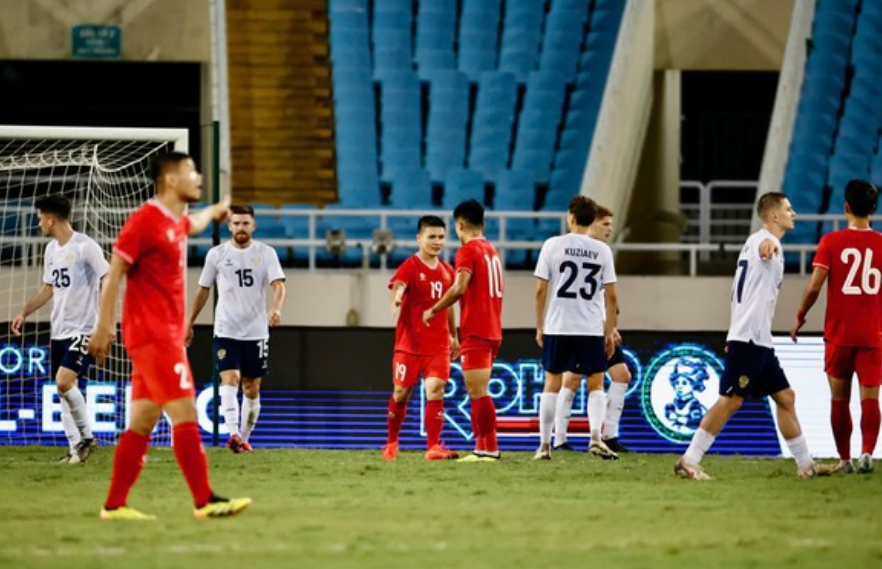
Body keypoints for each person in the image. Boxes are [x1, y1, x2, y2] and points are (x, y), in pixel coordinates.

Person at [88, 151, 251, 520]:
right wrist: (103, 325)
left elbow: (192, 223)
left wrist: (214, 212)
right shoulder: (144, 221)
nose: (199, 178)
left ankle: (114, 505)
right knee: (186, 412)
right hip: (154, 337)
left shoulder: (170, 220)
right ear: (171, 180)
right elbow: (114, 273)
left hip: (157, 337)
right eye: (192, 171)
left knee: (142, 423)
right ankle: (205, 500)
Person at [675, 192, 831, 480]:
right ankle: (689, 459)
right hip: (749, 339)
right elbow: (765, 248)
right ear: (774, 216)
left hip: (758, 339)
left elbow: (739, 292)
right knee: (732, 400)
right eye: (788, 208)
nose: (793, 213)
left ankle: (806, 465)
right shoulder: (763, 242)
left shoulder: (752, 242)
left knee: (785, 397)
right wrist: (769, 246)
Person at [790, 179, 882, 474]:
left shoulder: (831, 242)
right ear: (873, 209)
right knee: (871, 397)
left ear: (846, 207)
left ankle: (845, 460)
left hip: (839, 334)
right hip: (873, 334)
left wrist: (801, 314)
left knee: (839, 398)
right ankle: (867, 453)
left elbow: (815, 286)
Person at [11, 194, 108, 464]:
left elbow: (108, 276)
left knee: (64, 382)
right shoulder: (51, 249)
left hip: (84, 329)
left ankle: (87, 437)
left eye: (40, 217)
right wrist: (24, 311)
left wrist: (105, 324)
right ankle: (75, 449)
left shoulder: (85, 246)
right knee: (63, 390)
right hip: (59, 331)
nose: (38, 222)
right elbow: (48, 288)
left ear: (51, 219)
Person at [185, 204, 286, 454]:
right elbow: (203, 290)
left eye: (245, 223)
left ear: (253, 226)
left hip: (256, 332)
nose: (240, 228)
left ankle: (243, 437)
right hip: (226, 330)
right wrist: (189, 322)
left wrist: (276, 308)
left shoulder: (266, 253)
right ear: (229, 226)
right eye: (236, 223)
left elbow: (279, 286)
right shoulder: (216, 255)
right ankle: (232, 433)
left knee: (252, 387)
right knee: (229, 379)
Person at [533, 196, 618, 461]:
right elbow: (612, 297)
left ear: (570, 217)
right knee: (596, 383)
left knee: (552, 383)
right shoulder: (603, 251)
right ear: (591, 220)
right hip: (590, 327)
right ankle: (595, 438)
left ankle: (545, 445)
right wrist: (608, 330)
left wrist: (539, 326)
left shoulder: (553, 245)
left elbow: (540, 290)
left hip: (558, 325)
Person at [422, 199, 503, 462]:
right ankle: (483, 448)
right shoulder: (492, 250)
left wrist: (434, 310)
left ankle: (488, 449)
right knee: (478, 390)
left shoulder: (468, 251)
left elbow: (458, 288)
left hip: (477, 329)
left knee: (478, 391)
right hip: (492, 328)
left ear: (460, 224)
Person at [551, 206, 633, 454]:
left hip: (599, 329)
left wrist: (610, 326)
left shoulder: (602, 253)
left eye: (611, 224)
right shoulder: (581, 251)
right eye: (605, 224)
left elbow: (607, 297)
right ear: (592, 223)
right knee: (572, 379)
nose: (610, 228)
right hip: (580, 328)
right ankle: (560, 439)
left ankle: (608, 435)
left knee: (622, 375)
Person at [383, 216, 459, 461]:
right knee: (400, 394)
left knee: (436, 390)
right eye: (431, 237)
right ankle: (392, 442)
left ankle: (433, 447)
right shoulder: (409, 266)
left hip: (438, 346)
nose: (437, 242)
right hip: (409, 345)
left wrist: (453, 336)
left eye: (441, 237)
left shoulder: (448, 271)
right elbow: (400, 285)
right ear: (419, 238)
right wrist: (396, 298)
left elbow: (449, 306)